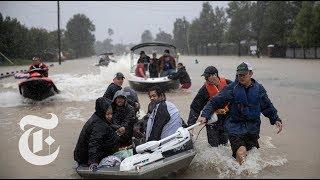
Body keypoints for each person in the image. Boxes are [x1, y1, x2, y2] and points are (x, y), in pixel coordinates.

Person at [196, 62, 283, 165]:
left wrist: (276, 119)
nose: (241, 77)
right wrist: (204, 115)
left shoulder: (259, 89)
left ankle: (238, 170)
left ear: (250, 74)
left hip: (252, 128)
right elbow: (214, 101)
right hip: (235, 128)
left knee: (250, 155)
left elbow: (267, 106)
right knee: (241, 152)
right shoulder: (232, 88)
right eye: (239, 75)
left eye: (243, 75)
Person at [188, 66, 232, 147]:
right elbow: (195, 108)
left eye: (206, 77)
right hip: (212, 121)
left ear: (214, 75)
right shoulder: (204, 90)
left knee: (224, 145)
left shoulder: (229, 84)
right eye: (205, 77)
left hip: (226, 120)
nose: (205, 79)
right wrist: (191, 126)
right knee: (213, 147)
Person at [74, 97, 120, 171]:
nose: (110, 116)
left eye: (111, 114)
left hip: (84, 155)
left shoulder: (97, 117)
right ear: (102, 112)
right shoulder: (98, 125)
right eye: (108, 114)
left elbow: (107, 126)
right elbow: (94, 144)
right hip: (86, 159)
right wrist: (93, 162)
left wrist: (117, 127)